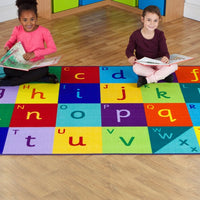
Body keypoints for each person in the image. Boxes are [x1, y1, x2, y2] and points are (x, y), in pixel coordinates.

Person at [0, 0, 58, 86]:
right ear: (20, 20)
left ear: (36, 17)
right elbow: (11, 41)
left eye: (32, 19)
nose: (29, 23)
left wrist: (35, 54)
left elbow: (53, 48)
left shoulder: (44, 31)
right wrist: (7, 47)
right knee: (7, 70)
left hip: (36, 65)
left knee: (43, 70)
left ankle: (8, 82)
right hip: (21, 64)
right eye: (25, 20)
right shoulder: (17, 29)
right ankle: (43, 78)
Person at [126, 5, 178, 87]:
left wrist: (166, 57)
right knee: (136, 68)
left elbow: (165, 51)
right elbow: (129, 50)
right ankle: (163, 75)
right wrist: (131, 57)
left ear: (159, 21)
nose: (152, 23)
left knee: (174, 66)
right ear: (142, 19)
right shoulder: (135, 35)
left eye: (155, 21)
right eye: (149, 20)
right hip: (144, 63)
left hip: (158, 62)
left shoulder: (160, 34)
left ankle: (147, 80)